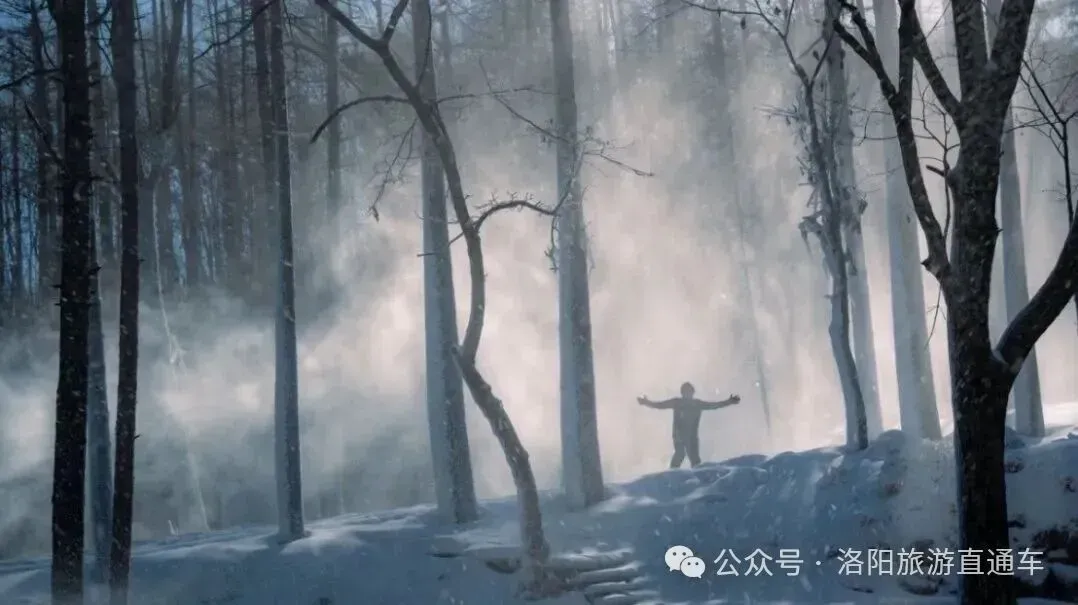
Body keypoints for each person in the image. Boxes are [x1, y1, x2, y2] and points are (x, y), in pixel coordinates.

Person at [637, 382, 740, 469]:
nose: (687, 395)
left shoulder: (697, 404)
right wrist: (646, 402)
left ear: (692, 393)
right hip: (679, 435)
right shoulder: (677, 402)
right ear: (682, 393)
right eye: (685, 392)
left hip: (692, 437)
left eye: (689, 392)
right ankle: (672, 475)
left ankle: (697, 479)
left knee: (695, 459)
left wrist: (729, 402)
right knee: (680, 454)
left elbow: (714, 405)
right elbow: (660, 405)